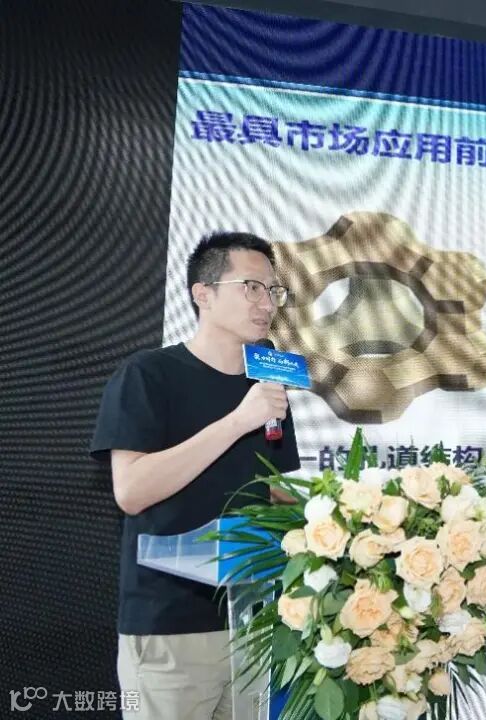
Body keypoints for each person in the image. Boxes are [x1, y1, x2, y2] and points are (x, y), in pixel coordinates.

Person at [90, 231, 301, 719]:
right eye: (251, 287)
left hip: (253, 620)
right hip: (172, 625)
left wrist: (347, 513)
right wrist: (237, 422)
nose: (266, 303)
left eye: (273, 290)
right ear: (202, 294)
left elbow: (273, 490)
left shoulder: (267, 384)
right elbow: (132, 491)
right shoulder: (148, 375)